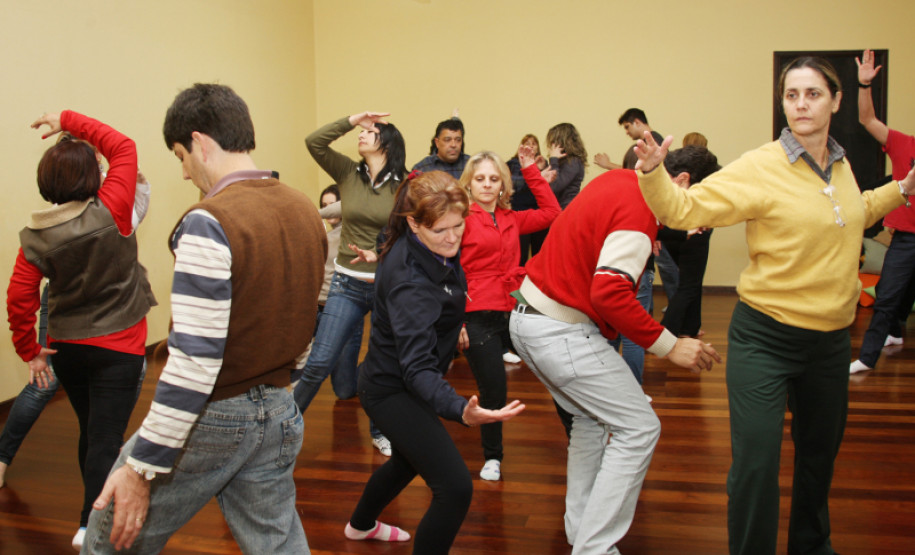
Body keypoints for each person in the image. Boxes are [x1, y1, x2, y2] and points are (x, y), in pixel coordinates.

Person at [635, 57, 915, 555]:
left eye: (812, 94)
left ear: (835, 100)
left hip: (829, 344)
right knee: (757, 467)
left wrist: (902, 189)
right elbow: (684, 208)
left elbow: (855, 213)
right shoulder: (761, 165)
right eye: (792, 95)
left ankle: (811, 545)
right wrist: (655, 173)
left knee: (817, 460)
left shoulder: (842, 163)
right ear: (782, 102)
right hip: (766, 338)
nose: (801, 104)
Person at [83, 83, 326, 553]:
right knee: (277, 545)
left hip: (213, 417)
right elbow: (306, 320)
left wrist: (141, 467)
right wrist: (279, 385)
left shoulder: (207, 221)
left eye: (180, 155)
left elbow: (195, 362)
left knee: (109, 534)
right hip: (280, 411)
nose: (183, 171)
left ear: (199, 142)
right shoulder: (304, 209)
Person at [509, 146, 721, 554]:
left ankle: (581, 531)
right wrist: (670, 345)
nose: (694, 214)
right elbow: (608, 293)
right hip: (559, 330)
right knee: (640, 428)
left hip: (529, 319)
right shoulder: (641, 214)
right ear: (680, 184)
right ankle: (594, 548)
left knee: (590, 421)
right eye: (697, 202)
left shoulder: (619, 181)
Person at [345, 170, 524, 554]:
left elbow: (444, 288)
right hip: (391, 389)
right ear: (413, 222)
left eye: (459, 226)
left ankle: (360, 525)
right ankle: (360, 524)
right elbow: (417, 369)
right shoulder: (411, 283)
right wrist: (461, 410)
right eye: (441, 230)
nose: (453, 237)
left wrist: (450, 322)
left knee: (408, 461)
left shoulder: (429, 247)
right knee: (456, 488)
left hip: (398, 379)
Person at [6, 110, 156, 550]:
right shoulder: (113, 207)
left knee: (92, 431)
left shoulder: (35, 236)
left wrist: (29, 350)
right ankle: (92, 526)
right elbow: (123, 146)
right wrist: (67, 117)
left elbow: (20, 297)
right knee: (105, 438)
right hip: (121, 344)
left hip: (67, 348)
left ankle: (89, 517)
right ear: (94, 176)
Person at [0, 168, 151, 490]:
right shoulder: (104, 210)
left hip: (80, 316)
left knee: (93, 424)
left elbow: (17, 296)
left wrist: (29, 350)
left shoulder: (52, 223)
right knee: (93, 423)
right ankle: (93, 513)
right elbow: (133, 205)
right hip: (98, 321)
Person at [294, 110, 406, 456]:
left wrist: (381, 255)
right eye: (362, 130)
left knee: (382, 366)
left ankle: (380, 430)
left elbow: (409, 235)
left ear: (386, 143)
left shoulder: (404, 184)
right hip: (347, 285)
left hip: (387, 286)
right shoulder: (347, 173)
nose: (362, 134)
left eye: (369, 131)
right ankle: (281, 428)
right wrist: (352, 120)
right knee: (318, 363)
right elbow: (314, 142)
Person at [458, 147, 559, 481]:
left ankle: (584, 436)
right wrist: (456, 320)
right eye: (480, 179)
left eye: (493, 178)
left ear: (502, 184)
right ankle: (493, 457)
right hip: (478, 314)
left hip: (518, 308)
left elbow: (551, 211)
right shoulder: (459, 221)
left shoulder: (512, 219)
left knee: (557, 372)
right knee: (494, 390)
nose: (487, 185)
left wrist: (530, 168)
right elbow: (449, 273)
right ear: (469, 185)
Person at [850, 49, 915, 374]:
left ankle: (894, 331)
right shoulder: (904, 144)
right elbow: (867, 120)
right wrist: (864, 86)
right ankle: (867, 357)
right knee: (889, 294)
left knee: (905, 293)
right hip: (906, 238)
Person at [656, 147, 720, 338]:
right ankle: (665, 336)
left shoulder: (699, 192)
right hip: (684, 235)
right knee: (689, 286)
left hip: (687, 234)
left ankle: (689, 328)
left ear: (683, 178)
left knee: (690, 285)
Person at [527, 122, 587, 257]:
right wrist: (544, 167)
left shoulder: (573, 162)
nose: (550, 146)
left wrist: (553, 159)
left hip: (566, 215)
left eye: (552, 141)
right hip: (558, 214)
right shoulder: (564, 163)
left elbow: (554, 187)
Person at [507, 134, 551, 265]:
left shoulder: (543, 163)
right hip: (520, 213)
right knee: (520, 255)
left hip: (540, 213)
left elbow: (549, 192)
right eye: (527, 142)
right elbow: (513, 186)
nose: (531, 145)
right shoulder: (512, 163)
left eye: (534, 143)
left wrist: (539, 169)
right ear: (521, 147)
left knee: (541, 255)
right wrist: (533, 174)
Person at [410, 110, 470, 179]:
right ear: (437, 142)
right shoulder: (422, 168)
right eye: (447, 140)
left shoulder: (471, 165)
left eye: (458, 140)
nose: (453, 145)